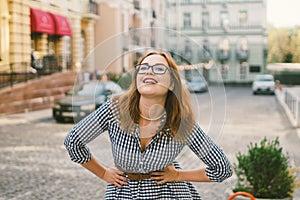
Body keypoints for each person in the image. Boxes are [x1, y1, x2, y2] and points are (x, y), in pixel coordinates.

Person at [64, 50, 233, 199]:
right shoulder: (114, 109)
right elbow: (73, 142)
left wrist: (177, 175)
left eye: (159, 69)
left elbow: (221, 168)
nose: (149, 72)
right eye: (143, 68)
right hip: (122, 194)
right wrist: (103, 173)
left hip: (169, 195)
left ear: (172, 83)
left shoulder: (181, 121)